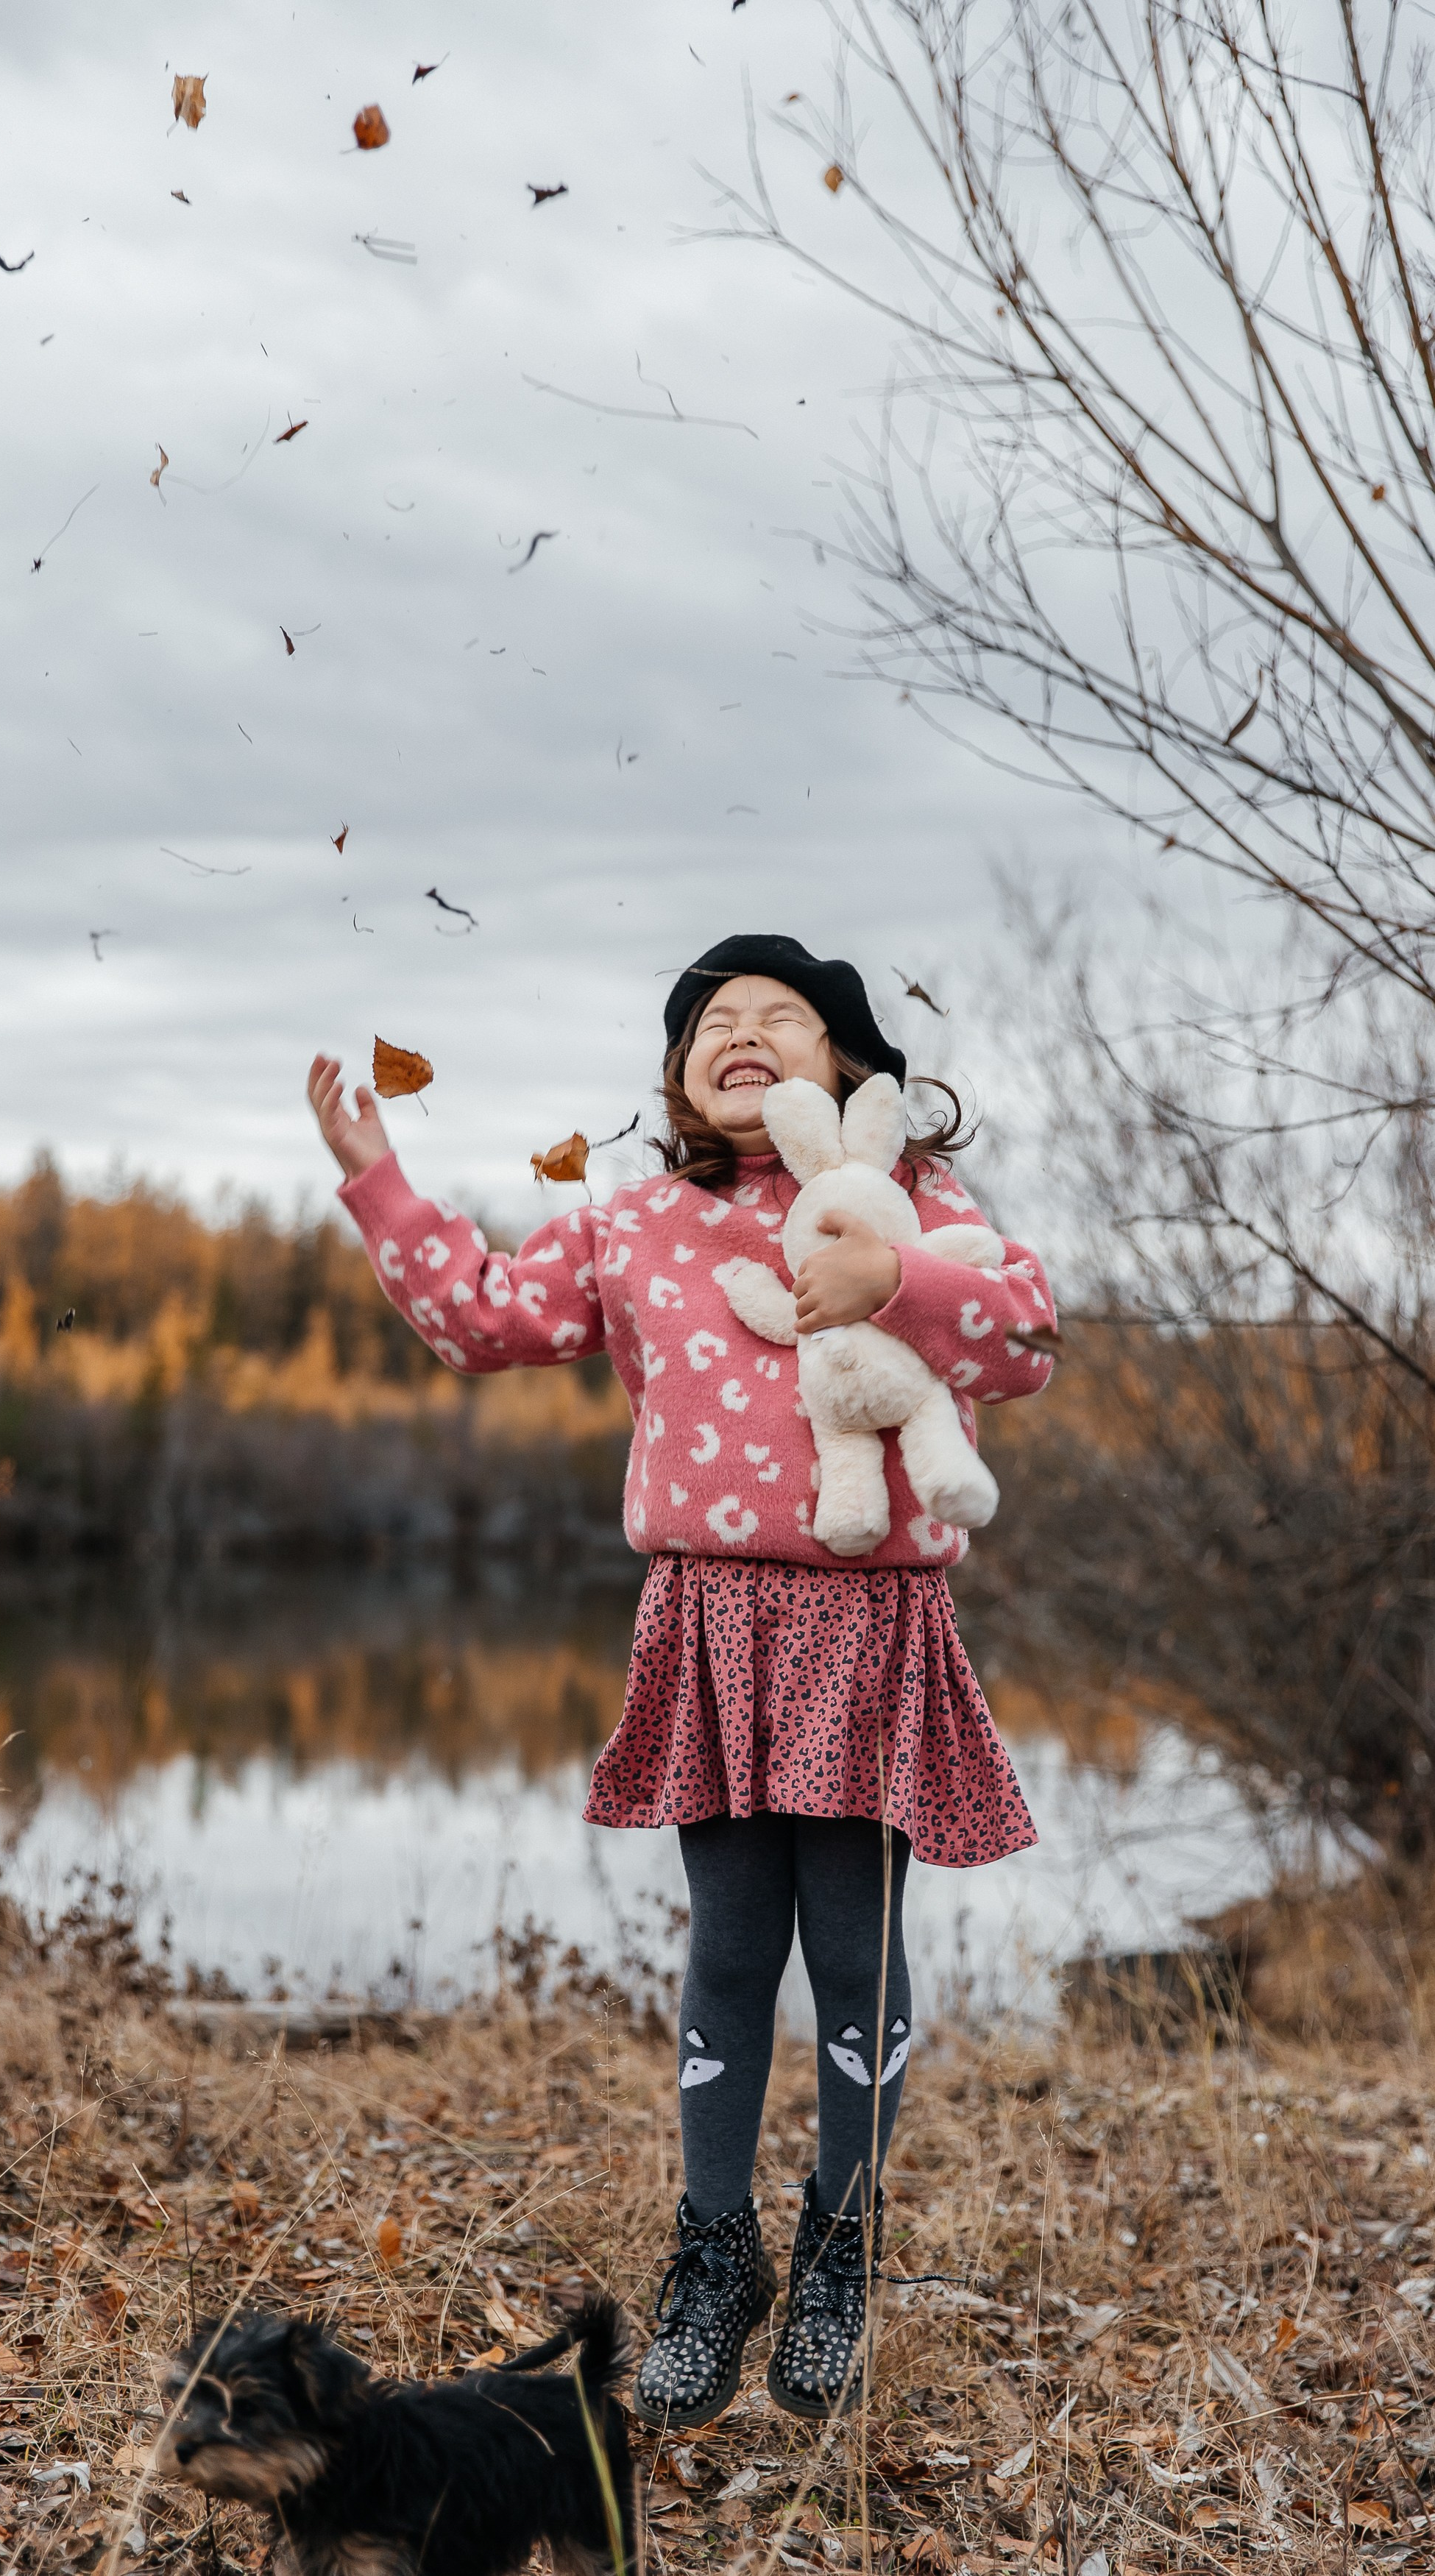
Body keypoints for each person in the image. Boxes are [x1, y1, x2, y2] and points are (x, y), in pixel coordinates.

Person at [306, 933, 1052, 2427]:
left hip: (869, 1624)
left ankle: (841, 2242)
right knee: (727, 1948)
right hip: (709, 1620)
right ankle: (717, 2252)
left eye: (785, 1016)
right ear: (681, 1074)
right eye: (716, 1019)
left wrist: (892, 1271)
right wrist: (380, 1178)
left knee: (852, 1948)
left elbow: (1025, 1334)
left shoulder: (918, 1206)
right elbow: (480, 1319)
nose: (748, 1031)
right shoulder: (636, 1221)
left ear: (852, 1071)